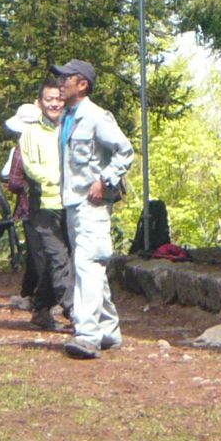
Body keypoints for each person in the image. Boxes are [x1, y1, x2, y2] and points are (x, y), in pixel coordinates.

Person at [53, 58, 134, 359]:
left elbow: (125, 150)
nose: (60, 84)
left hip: (93, 205)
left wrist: (105, 179)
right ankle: (109, 330)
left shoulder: (97, 117)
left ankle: (87, 335)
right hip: (73, 202)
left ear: (82, 84)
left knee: (88, 265)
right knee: (90, 266)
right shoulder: (68, 117)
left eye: (66, 79)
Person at [8, 79, 72, 332]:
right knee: (58, 259)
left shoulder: (70, 128)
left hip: (69, 204)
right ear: (40, 103)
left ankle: (42, 308)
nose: (54, 103)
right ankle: (75, 312)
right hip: (42, 207)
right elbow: (30, 168)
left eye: (58, 98)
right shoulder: (30, 133)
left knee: (65, 259)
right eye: (49, 99)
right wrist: (56, 178)